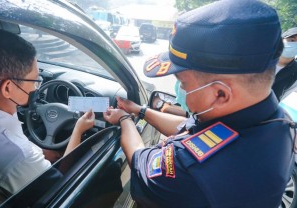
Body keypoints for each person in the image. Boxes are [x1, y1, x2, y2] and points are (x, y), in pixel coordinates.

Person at [103, 0, 295, 207]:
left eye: (183, 84)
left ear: (221, 94)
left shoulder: (192, 171)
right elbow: (190, 130)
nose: (182, 91)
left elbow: (140, 161)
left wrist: (124, 119)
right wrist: (139, 110)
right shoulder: (276, 121)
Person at [0, 29, 95, 194]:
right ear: (8, 88)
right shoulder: (19, 159)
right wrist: (78, 130)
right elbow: (60, 187)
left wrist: (42, 153)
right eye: (35, 80)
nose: (37, 87)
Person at [272, 27, 297, 101]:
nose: (295, 45)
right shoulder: (261, 58)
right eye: (292, 40)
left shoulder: (295, 72)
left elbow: (280, 97)